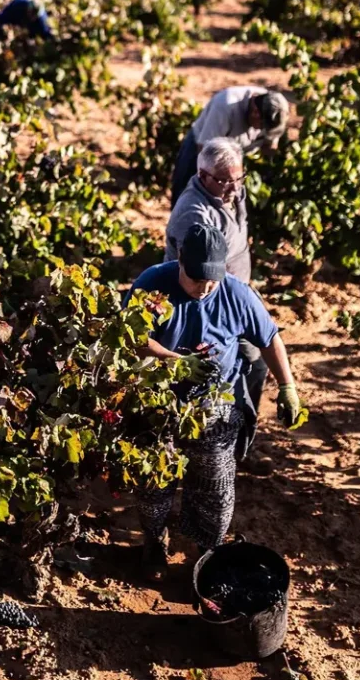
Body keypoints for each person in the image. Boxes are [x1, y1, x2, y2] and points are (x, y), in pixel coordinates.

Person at [126, 223, 303, 579]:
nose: (205, 287)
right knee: (153, 482)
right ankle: (153, 540)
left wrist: (288, 386)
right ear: (179, 261)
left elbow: (269, 338)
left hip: (215, 403)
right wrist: (175, 363)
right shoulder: (152, 285)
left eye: (212, 280)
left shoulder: (237, 294)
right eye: (196, 279)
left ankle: (206, 551)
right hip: (157, 400)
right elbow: (132, 338)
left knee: (215, 487)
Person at [165, 138, 270, 461]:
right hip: (206, 304)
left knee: (252, 367)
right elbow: (201, 277)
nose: (234, 187)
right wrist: (235, 309)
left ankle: (235, 443)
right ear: (202, 174)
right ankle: (194, 447)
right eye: (225, 181)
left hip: (234, 296)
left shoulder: (232, 189)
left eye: (239, 178)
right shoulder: (194, 215)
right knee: (213, 372)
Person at [171, 86, 290, 207]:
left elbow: (270, 146)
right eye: (262, 126)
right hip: (201, 147)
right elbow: (205, 153)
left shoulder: (274, 110)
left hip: (239, 153)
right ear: (255, 112)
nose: (263, 131)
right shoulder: (225, 106)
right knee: (185, 194)